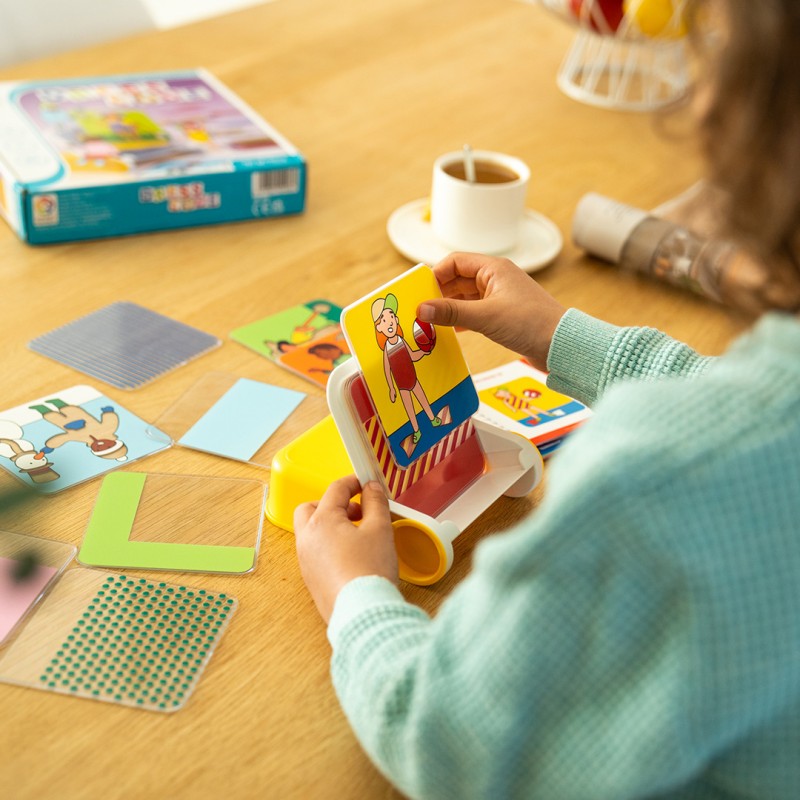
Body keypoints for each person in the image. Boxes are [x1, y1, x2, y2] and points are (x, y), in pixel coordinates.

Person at [293, 1, 800, 797]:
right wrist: (560, 333)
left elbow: (452, 745)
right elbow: (759, 407)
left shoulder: (656, 481)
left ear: (750, 123)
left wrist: (353, 595)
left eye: (717, 55)